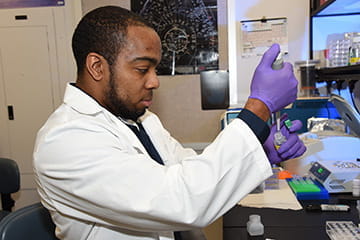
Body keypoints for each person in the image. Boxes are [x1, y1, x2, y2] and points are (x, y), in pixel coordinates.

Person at [33, 5, 306, 240]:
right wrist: (258, 107)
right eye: (142, 69)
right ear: (97, 67)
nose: (154, 82)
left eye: (155, 69)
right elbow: (184, 200)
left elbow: (190, 173)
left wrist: (264, 151)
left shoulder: (140, 120)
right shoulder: (64, 140)